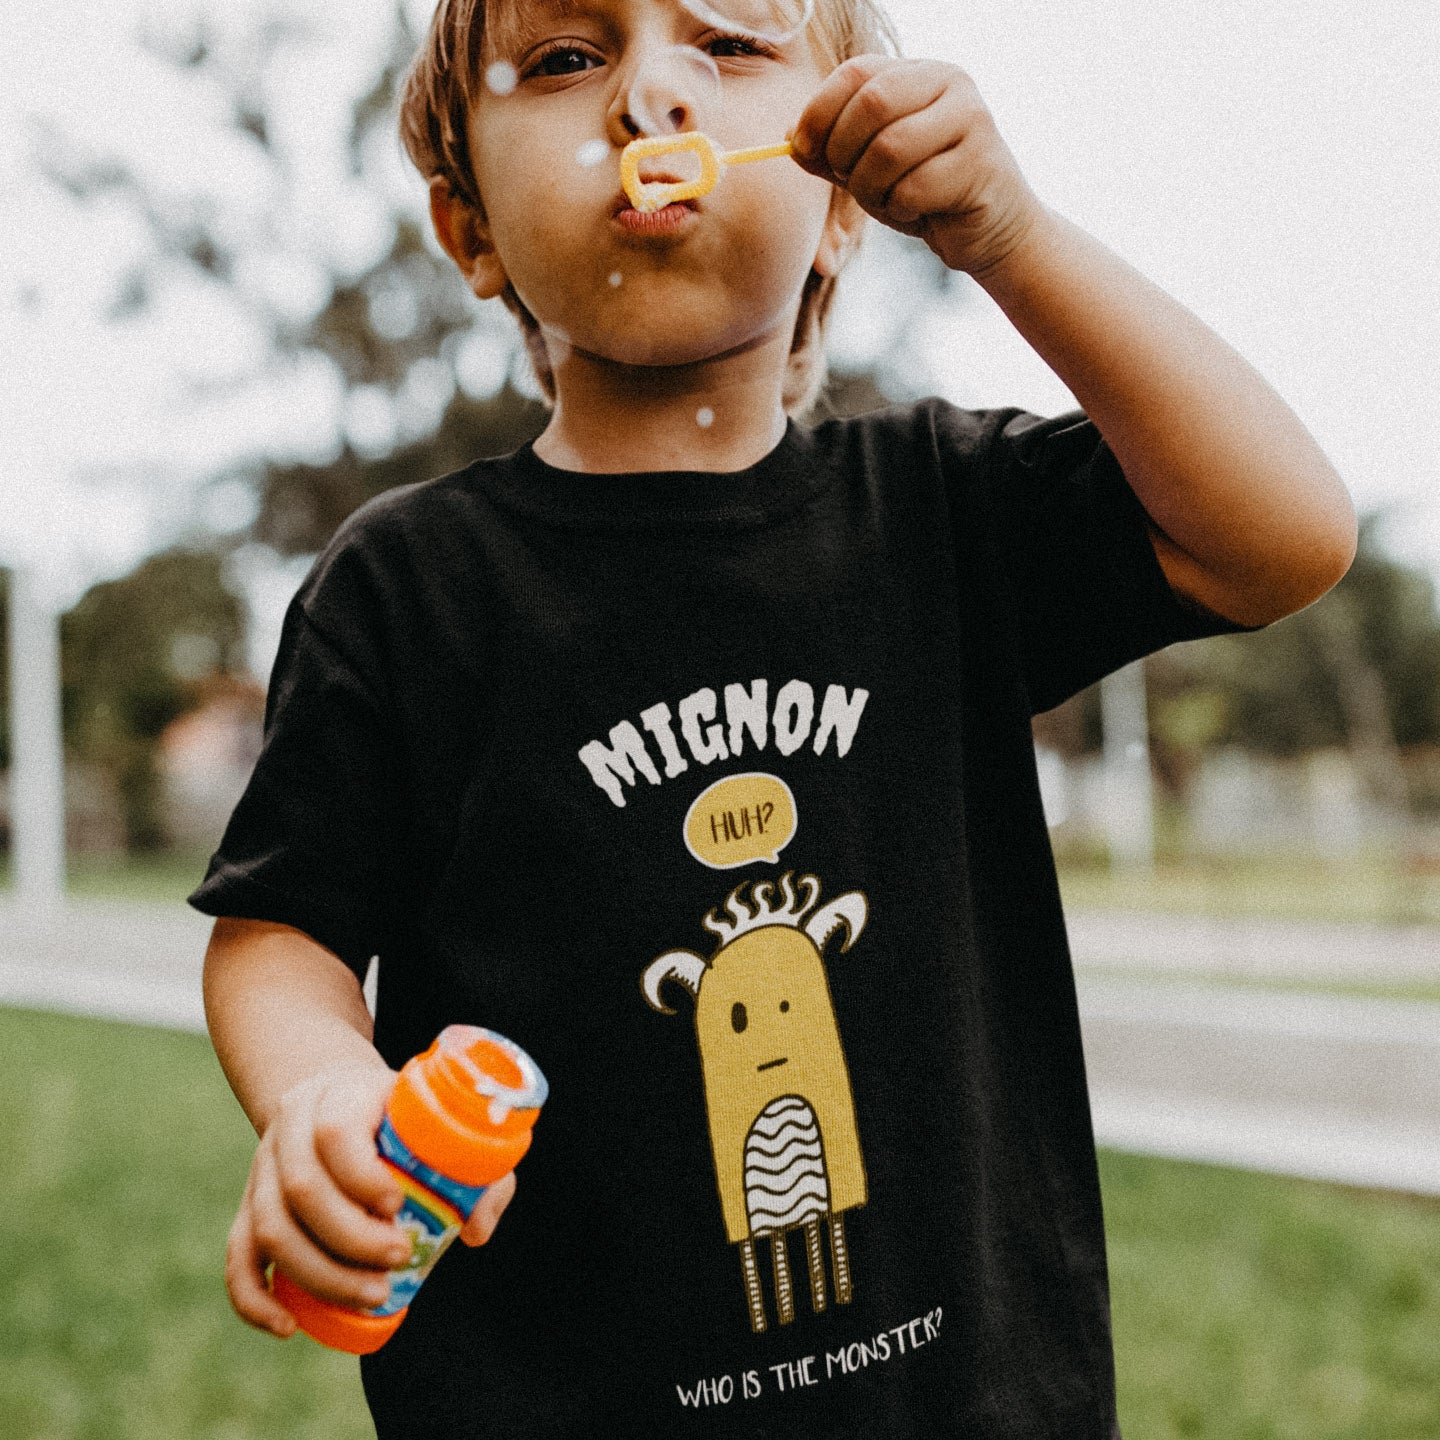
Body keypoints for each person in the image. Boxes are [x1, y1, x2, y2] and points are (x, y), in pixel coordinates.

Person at [192, 0, 1357, 1434]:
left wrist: (1014, 237)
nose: (650, 101)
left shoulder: (940, 513)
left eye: (731, 46)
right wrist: (321, 1091)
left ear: (847, 203)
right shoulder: (412, 587)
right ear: (470, 229)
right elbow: (280, 927)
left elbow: (1283, 539)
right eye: (567, 59)